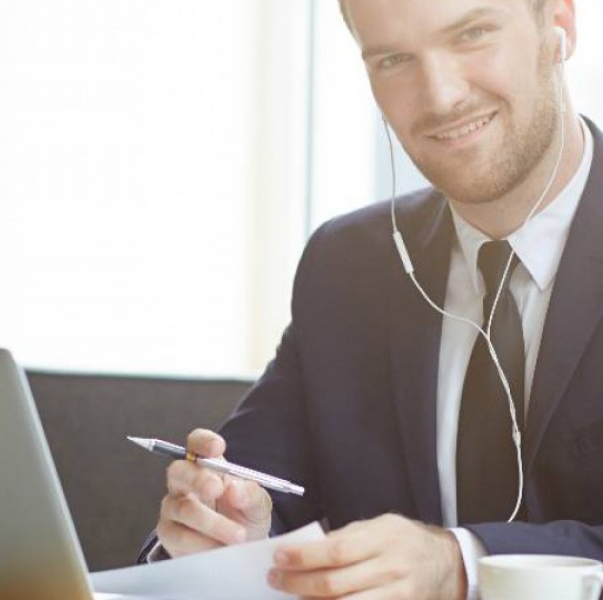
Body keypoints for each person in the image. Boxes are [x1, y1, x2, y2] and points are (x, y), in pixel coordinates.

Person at [141, 0, 603, 598]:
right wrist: (232, 530)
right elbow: (256, 493)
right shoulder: (349, 266)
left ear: (559, 24)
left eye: (473, 34)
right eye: (394, 58)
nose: (440, 96)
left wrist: (462, 563)